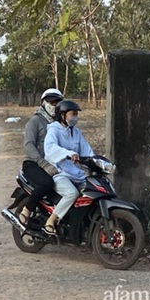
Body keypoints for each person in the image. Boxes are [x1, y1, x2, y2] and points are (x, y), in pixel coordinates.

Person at [42, 100, 94, 236]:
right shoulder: (54, 130)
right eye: (73, 114)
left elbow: (87, 150)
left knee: (93, 191)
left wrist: (99, 162)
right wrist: (69, 154)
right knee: (72, 193)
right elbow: (50, 148)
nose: (75, 117)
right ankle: (51, 221)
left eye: (76, 114)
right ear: (63, 115)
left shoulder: (75, 132)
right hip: (59, 173)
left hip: (75, 173)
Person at [18, 88, 64, 225]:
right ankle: (27, 210)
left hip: (54, 164)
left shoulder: (59, 123)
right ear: (44, 103)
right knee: (47, 183)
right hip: (33, 164)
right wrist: (43, 163)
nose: (54, 105)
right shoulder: (35, 121)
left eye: (57, 103)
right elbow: (28, 145)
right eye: (52, 102)